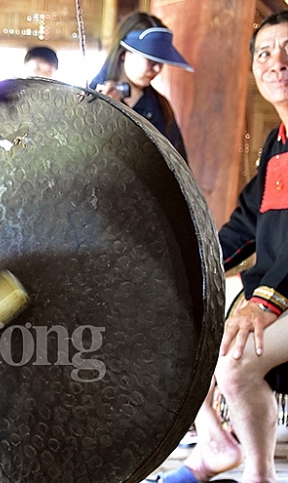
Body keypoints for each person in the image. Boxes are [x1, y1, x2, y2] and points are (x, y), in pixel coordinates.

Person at [148, 10, 288, 483]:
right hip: (277, 296)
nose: (277, 62)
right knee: (188, 332)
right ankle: (213, 444)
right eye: (265, 53)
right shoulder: (277, 143)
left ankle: (260, 475)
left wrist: (264, 302)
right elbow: (246, 224)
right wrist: (190, 266)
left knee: (233, 365)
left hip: (284, 297)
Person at [90, 12, 192, 163]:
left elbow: (179, 164)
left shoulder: (161, 107)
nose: (157, 69)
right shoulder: (90, 98)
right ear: (124, 53)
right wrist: (107, 114)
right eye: (150, 59)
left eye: (160, 61)